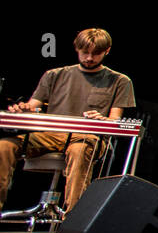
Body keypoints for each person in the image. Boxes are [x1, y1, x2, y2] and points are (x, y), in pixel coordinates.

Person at [1, 27, 136, 212]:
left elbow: (115, 121)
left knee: (80, 151)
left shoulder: (120, 81)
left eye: (96, 54)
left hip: (86, 137)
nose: (89, 58)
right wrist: (23, 109)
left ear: (107, 51)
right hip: (49, 135)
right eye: (85, 52)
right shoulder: (54, 75)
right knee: (4, 146)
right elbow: (33, 107)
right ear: (76, 48)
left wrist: (102, 119)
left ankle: (72, 222)